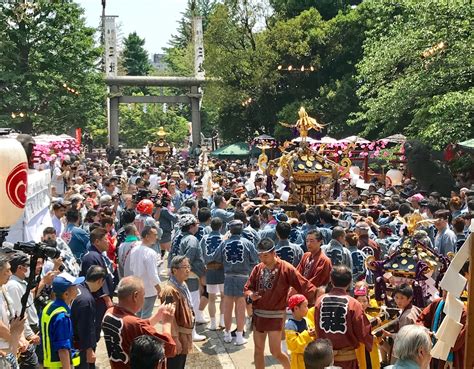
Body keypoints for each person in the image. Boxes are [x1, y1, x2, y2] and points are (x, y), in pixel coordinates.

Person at [245, 238, 316, 369]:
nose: (262, 259)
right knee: (258, 350)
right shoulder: (257, 268)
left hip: (276, 315)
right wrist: (250, 296)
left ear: (274, 253)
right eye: (260, 255)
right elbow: (248, 288)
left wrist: (318, 297)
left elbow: (304, 284)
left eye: (265, 255)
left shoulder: (286, 268)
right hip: (259, 314)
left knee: (275, 351)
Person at [102, 276, 176, 369]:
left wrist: (158, 315)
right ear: (135, 296)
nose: (144, 299)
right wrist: (167, 322)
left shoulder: (109, 312)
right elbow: (169, 349)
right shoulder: (135, 324)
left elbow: (136, 328)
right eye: (143, 295)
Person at [209, 220, 259, 346]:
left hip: (228, 277)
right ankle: (239, 336)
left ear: (229, 229)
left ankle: (226, 334)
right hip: (243, 277)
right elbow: (255, 260)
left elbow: (215, 257)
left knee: (227, 306)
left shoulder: (225, 243)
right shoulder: (247, 243)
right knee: (240, 308)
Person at [314, 265, 373, 369]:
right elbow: (363, 333)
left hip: (324, 358)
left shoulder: (320, 301)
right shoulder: (354, 304)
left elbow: (317, 328)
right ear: (350, 282)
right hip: (347, 360)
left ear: (331, 280)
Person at [41, 272, 84, 369]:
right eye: (74, 286)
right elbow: (63, 349)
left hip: (48, 364)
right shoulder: (62, 317)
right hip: (59, 366)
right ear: (66, 294)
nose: (77, 288)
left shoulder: (49, 307)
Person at [160, 256, 194, 369]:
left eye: (189, 266)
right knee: (175, 364)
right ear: (174, 270)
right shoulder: (169, 290)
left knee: (181, 363)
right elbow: (170, 317)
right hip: (177, 335)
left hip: (184, 334)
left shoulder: (183, 284)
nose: (188, 270)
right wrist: (174, 339)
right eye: (185, 267)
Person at [71, 266, 107, 369]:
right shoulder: (87, 300)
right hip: (81, 345)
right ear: (101, 281)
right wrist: (89, 350)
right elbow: (86, 328)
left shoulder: (78, 287)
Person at [80, 227, 115, 332]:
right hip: (97, 300)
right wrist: (107, 299)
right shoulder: (92, 257)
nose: (108, 242)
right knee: (94, 330)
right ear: (97, 242)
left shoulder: (96, 255)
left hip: (99, 300)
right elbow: (96, 280)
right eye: (105, 239)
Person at [0, 254, 27, 369]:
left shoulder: (3, 289)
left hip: (10, 346)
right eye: (7, 271)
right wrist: (15, 337)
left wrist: (20, 338)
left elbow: (13, 317)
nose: (10, 274)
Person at [129, 226, 162, 319]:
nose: (157, 237)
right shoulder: (150, 252)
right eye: (155, 235)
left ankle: (138, 332)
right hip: (149, 289)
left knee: (138, 314)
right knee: (146, 316)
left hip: (137, 287)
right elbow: (153, 275)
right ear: (147, 236)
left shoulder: (134, 249)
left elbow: (132, 268)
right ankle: (144, 333)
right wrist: (160, 289)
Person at [200, 217, 225, 330]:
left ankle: (213, 323)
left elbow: (201, 254)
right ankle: (223, 321)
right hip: (222, 270)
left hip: (209, 270)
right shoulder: (223, 238)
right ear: (221, 226)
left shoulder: (205, 238)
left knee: (211, 298)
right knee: (224, 297)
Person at [284, 294, 315, 369]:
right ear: (296, 308)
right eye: (305, 306)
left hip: (310, 357)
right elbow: (293, 345)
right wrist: (307, 334)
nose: (307, 309)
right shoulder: (290, 325)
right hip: (298, 362)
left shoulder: (307, 320)